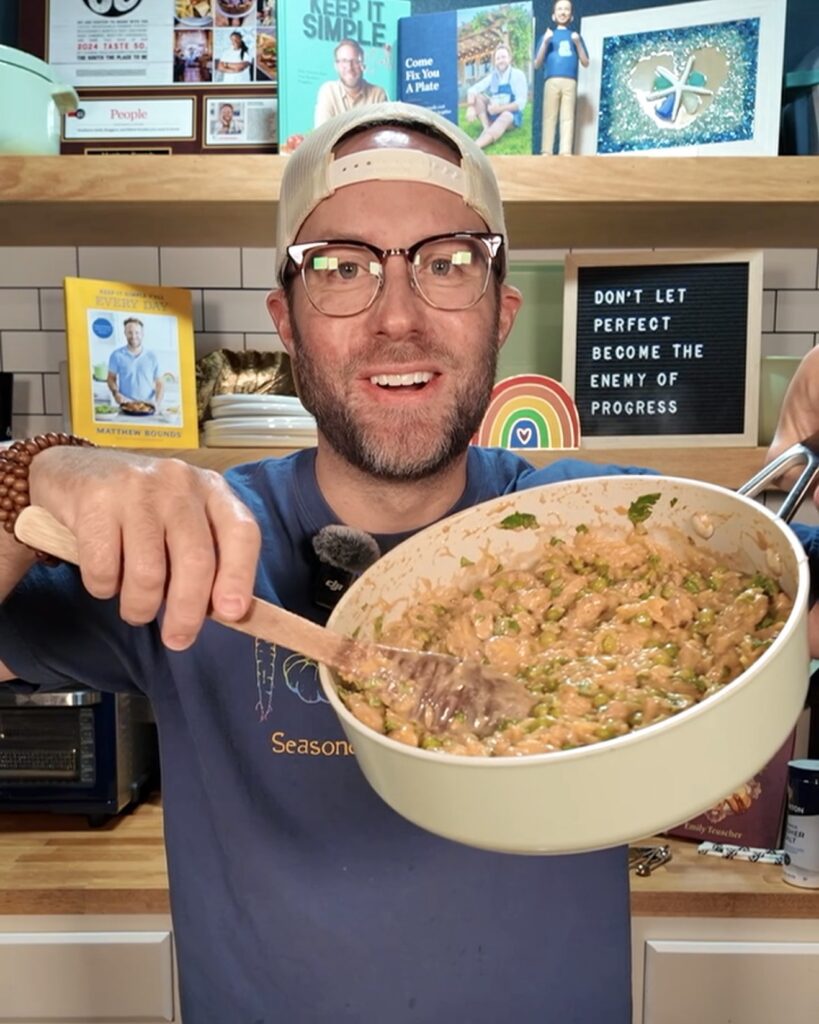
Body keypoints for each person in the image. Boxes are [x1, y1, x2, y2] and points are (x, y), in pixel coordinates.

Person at [0, 101, 815, 1022]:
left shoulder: (614, 528)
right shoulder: (191, 546)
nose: (397, 317)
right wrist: (40, 468)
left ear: (500, 311)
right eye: (342, 268)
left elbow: (788, 597)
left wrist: (797, 440)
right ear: (287, 319)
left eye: (447, 264)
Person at [533, 0, 589, 155]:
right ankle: (546, 150)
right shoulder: (548, 36)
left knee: (567, 117)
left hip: (570, 81)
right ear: (553, 14)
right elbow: (537, 63)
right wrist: (545, 42)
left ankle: (565, 151)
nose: (563, 12)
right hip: (551, 80)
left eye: (566, 9)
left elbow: (585, 62)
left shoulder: (575, 36)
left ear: (571, 16)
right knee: (549, 116)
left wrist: (577, 43)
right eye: (559, 9)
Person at [466, 43, 529, 151]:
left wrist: (499, 109)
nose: (501, 60)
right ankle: (486, 128)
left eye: (503, 57)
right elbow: (472, 89)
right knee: (478, 97)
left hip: (511, 115)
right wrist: (471, 106)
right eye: (498, 58)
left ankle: (476, 146)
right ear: (495, 62)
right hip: (494, 113)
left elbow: (521, 103)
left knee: (506, 115)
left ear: (509, 58)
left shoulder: (518, 75)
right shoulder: (493, 77)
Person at [314, 39, 387, 127]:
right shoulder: (328, 91)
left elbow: (380, 135)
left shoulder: (378, 94)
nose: (349, 67)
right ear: (336, 66)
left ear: (362, 65)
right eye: (344, 61)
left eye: (355, 61)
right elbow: (323, 134)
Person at [106, 317, 164, 408]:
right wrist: (115, 393)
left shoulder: (152, 356)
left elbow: (160, 383)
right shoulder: (116, 355)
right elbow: (110, 378)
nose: (133, 336)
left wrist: (157, 404)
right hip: (126, 404)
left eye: (137, 332)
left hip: (148, 405)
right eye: (130, 332)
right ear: (125, 333)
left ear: (142, 334)